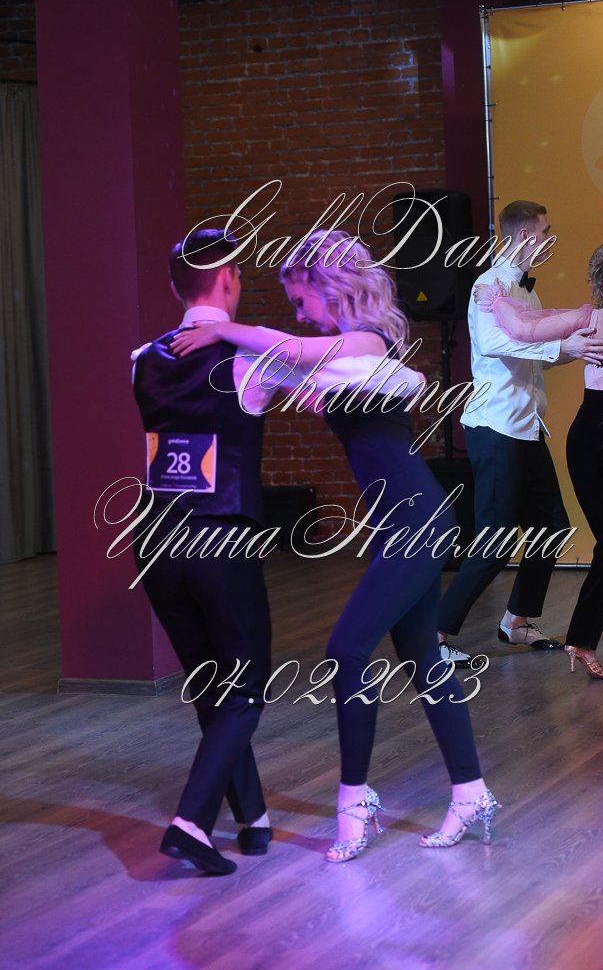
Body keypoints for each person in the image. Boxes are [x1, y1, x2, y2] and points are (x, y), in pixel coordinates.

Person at [172, 229, 500, 863]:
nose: (298, 313)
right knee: (423, 660)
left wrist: (221, 329)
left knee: (346, 648)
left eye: (301, 299)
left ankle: (354, 803)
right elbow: (292, 362)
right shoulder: (344, 356)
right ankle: (471, 793)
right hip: (400, 525)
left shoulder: (370, 341)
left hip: (419, 521)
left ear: (331, 286)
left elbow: (292, 347)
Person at [132, 229, 424, 875]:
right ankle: (190, 823)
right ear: (229, 278)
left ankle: (253, 818)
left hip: (153, 543)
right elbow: (338, 365)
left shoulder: (141, 359)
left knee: (210, 687)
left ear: (176, 287)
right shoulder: (248, 360)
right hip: (220, 539)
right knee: (243, 691)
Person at [437, 201, 603, 667]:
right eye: (545, 231)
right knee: (496, 540)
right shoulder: (488, 285)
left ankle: (515, 621)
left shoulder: (528, 295)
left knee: (550, 529)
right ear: (523, 236)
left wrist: (578, 349)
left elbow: (535, 358)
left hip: (527, 427)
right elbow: (494, 343)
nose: (550, 240)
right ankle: (434, 634)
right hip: (496, 426)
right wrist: (560, 344)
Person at [476, 239, 603, 679]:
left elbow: (522, 329)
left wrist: (496, 301)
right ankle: (583, 640)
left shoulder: (587, 319)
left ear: (600, 279)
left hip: (586, 437)